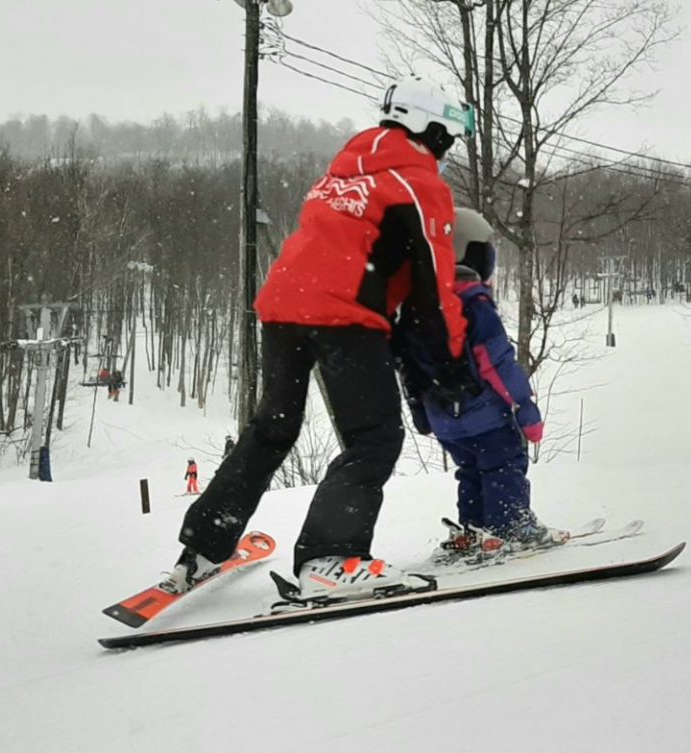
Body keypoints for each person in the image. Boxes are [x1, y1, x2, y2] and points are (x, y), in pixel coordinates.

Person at [161, 74, 479, 604]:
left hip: (283, 307)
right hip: (343, 316)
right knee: (374, 437)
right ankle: (330, 558)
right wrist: (450, 365)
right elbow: (435, 287)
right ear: (434, 130)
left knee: (271, 430)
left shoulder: (342, 170)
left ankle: (203, 545)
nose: (449, 150)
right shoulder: (418, 184)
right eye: (450, 137)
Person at [395, 208, 563, 562]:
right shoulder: (473, 301)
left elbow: (407, 365)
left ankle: (475, 529)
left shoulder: (414, 304)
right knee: (504, 463)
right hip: (483, 413)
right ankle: (512, 526)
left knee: (470, 470)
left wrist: (420, 411)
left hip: (444, 419)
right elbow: (497, 361)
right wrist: (524, 406)